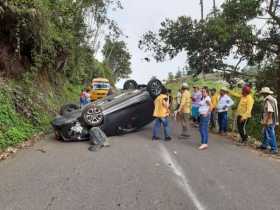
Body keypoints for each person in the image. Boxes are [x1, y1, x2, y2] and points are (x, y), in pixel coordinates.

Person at [257, 87, 279, 154]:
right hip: (272, 119)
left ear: (264, 93)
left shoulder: (268, 100)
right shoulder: (272, 99)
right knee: (265, 132)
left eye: (262, 93)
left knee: (270, 134)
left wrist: (266, 121)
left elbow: (270, 112)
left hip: (270, 120)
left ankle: (274, 149)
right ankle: (264, 145)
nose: (262, 94)